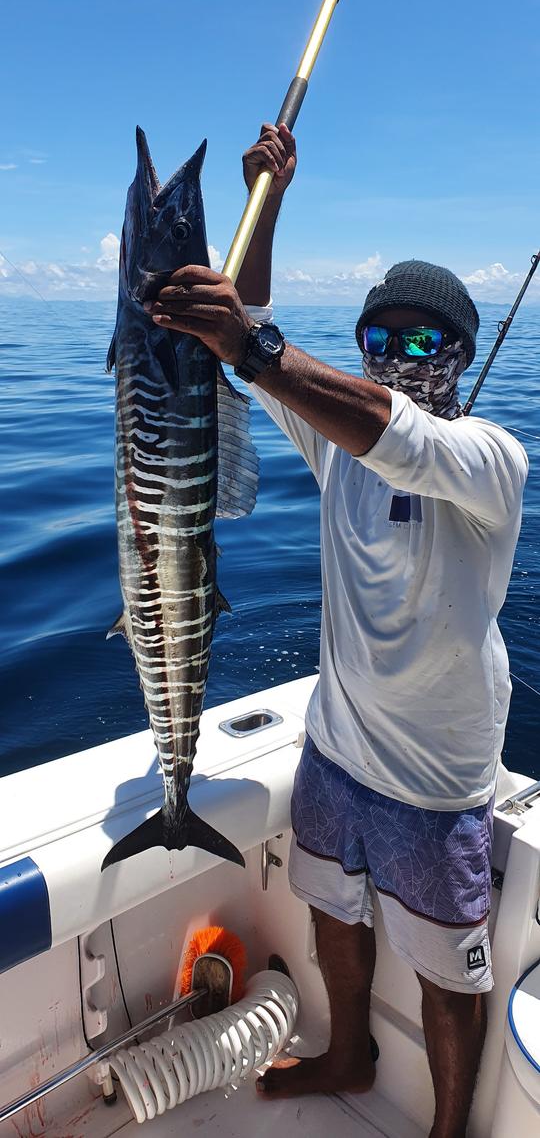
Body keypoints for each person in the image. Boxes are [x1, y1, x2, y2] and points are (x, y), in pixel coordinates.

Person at [145, 124, 528, 1138]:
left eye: (420, 342)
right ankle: (348, 1050)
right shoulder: (336, 442)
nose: (399, 361)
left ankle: (449, 1128)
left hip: (440, 775)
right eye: (378, 341)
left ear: (458, 351)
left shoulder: (491, 457)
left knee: (448, 964)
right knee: (331, 909)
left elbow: (372, 418)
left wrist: (254, 348)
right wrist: (265, 202)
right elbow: (260, 324)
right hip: (336, 743)